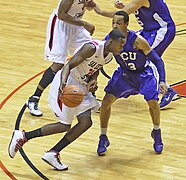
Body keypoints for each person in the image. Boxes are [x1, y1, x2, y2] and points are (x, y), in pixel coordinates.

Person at [8, 29, 126, 170]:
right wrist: (63, 84)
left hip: (81, 86)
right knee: (64, 125)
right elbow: (68, 66)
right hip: (67, 82)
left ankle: (53, 153)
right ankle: (23, 136)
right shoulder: (91, 48)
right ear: (111, 42)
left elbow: (96, 68)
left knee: (85, 122)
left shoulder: (109, 56)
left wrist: (93, 80)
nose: (122, 48)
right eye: (120, 45)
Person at [97, 11, 167, 156]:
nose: (115, 25)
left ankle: (156, 132)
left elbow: (158, 61)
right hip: (124, 74)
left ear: (126, 25)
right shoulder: (109, 40)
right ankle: (103, 137)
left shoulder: (138, 41)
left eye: (118, 23)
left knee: (153, 102)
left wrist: (162, 80)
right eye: (113, 22)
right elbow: (99, 61)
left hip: (144, 74)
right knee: (105, 103)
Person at [94, 0, 177, 108]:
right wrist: (127, 7)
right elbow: (144, 10)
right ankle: (130, 83)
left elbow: (120, 15)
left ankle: (167, 89)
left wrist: (99, 11)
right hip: (148, 30)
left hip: (162, 30)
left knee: (148, 59)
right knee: (129, 42)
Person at [27, 0, 96, 116]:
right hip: (61, 24)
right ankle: (34, 98)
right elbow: (62, 14)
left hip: (75, 25)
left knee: (90, 53)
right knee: (58, 64)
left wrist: (88, 6)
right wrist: (84, 24)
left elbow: (83, 6)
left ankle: (90, 95)